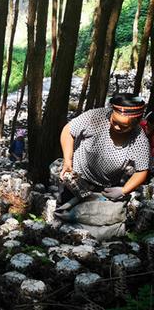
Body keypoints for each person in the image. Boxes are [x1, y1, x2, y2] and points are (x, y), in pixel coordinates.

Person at [57, 94, 150, 237]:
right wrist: (67, 160)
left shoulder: (139, 140)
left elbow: (142, 170)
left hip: (104, 189)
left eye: (124, 126)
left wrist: (124, 190)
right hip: (76, 179)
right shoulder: (95, 117)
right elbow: (68, 131)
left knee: (96, 224)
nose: (117, 127)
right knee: (64, 218)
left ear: (136, 123)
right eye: (114, 122)